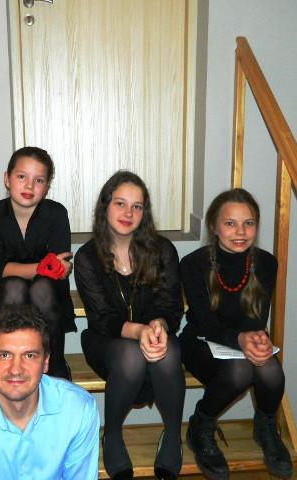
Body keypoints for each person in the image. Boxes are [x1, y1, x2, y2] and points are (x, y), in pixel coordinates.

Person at [74, 171, 185, 480]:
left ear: (144, 212)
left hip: (153, 333)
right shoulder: (87, 257)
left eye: (137, 206)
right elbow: (102, 319)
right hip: (106, 340)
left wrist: (158, 326)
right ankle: (112, 434)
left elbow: (171, 306)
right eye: (120, 203)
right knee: (131, 355)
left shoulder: (163, 250)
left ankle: (173, 435)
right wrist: (139, 331)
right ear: (105, 206)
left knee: (169, 353)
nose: (128, 213)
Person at [179, 188, 291, 479]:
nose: (240, 232)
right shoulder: (192, 264)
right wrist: (241, 339)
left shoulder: (266, 263)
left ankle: (266, 427)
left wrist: (257, 339)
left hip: (243, 337)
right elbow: (206, 323)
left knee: (271, 370)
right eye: (230, 223)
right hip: (201, 340)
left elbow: (257, 318)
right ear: (214, 226)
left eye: (248, 223)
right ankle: (201, 426)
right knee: (240, 371)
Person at [0, 304, 100, 479]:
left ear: (45, 362)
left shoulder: (78, 410)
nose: (16, 369)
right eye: (5, 355)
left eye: (29, 355)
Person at [0, 146, 74, 380]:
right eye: (22, 176)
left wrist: (15, 269)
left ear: (47, 186)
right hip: (9, 291)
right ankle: (8, 365)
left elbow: (58, 269)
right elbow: (0, 270)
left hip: (49, 291)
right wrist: (42, 267)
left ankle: (53, 365)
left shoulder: (56, 213)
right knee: (14, 287)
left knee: (41, 288)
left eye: (38, 180)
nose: (29, 186)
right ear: (7, 179)